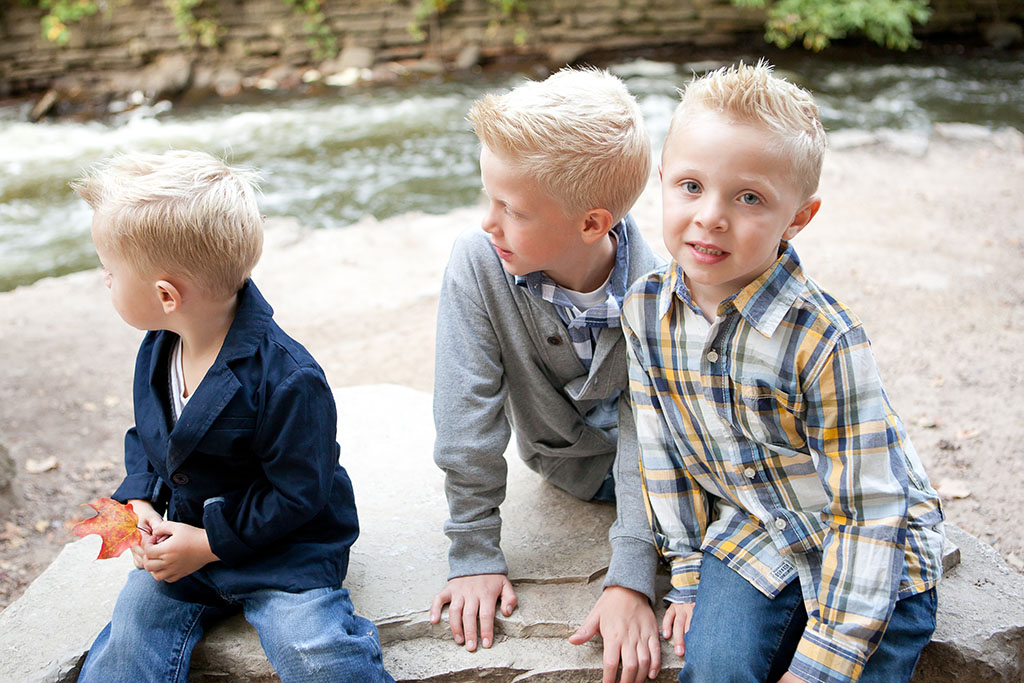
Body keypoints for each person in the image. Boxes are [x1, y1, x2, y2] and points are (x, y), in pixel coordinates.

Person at [621, 61, 945, 683]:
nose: (710, 216)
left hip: (874, 546)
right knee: (714, 669)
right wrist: (687, 570)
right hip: (755, 529)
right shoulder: (645, 311)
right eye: (690, 186)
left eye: (749, 198)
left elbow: (870, 508)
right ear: (661, 181)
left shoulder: (825, 340)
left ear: (799, 216)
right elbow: (662, 450)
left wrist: (822, 664)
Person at [72, 150, 393, 683]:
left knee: (312, 648)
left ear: (166, 295)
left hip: (283, 551)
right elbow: (150, 436)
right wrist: (141, 500)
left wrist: (208, 544)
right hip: (185, 540)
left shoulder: (288, 377)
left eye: (109, 271)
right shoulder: (160, 346)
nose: (104, 280)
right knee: (130, 636)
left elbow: (299, 493)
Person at [428, 67, 665, 683]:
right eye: (489, 199)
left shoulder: (659, 288)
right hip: (566, 467)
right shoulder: (478, 264)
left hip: (671, 483)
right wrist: (473, 552)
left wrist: (631, 575)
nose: (489, 222)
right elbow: (465, 417)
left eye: (511, 209)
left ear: (591, 224)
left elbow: (652, 437)